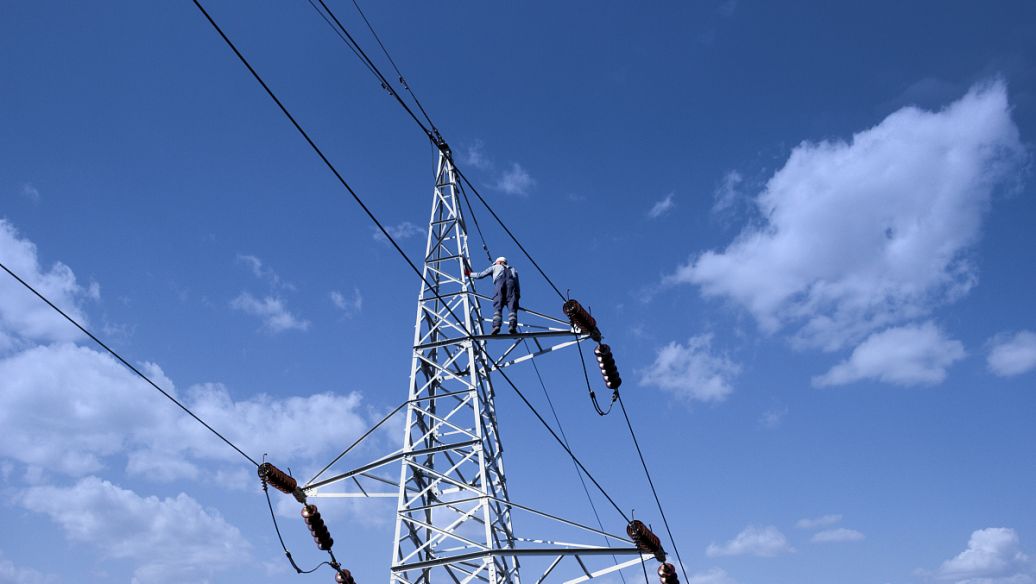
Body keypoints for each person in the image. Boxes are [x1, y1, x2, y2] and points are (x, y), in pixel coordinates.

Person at [466, 256, 520, 335]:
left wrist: (468, 273)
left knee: (498, 305)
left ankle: (496, 326)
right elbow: (517, 283)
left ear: (499, 262)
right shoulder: (513, 269)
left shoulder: (495, 267)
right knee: (512, 307)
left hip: (499, 283)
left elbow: (480, 275)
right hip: (512, 286)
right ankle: (512, 326)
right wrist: (517, 294)